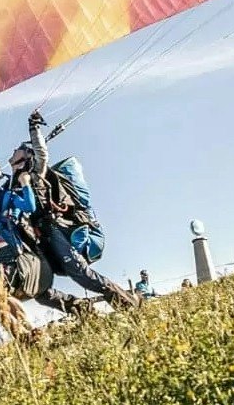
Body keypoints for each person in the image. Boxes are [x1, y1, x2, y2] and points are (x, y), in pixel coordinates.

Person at [12, 111, 140, 310]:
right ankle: (80, 309)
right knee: (37, 286)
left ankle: (127, 304)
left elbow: (41, 153)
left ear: (27, 156)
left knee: (81, 274)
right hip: (39, 238)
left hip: (53, 229)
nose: (13, 151)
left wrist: (34, 128)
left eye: (18, 150)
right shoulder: (13, 186)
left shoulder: (35, 173)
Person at [0, 160, 89, 324]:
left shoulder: (7, 196)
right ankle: (21, 336)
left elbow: (29, 207)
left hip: (13, 253)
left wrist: (25, 183)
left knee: (6, 295)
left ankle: (29, 333)